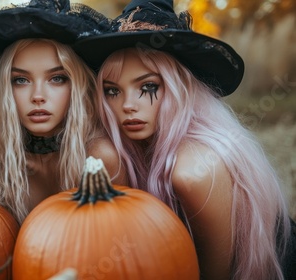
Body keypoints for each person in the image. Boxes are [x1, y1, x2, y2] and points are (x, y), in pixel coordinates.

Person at [74, 0, 296, 279]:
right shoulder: (122, 150)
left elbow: (217, 275)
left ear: (179, 88)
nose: (128, 105)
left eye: (148, 86)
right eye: (112, 91)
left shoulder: (193, 170)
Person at [0, 0, 128, 223]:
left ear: (77, 85)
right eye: (21, 80)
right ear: (3, 89)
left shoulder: (99, 157)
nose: (38, 95)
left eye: (57, 78)